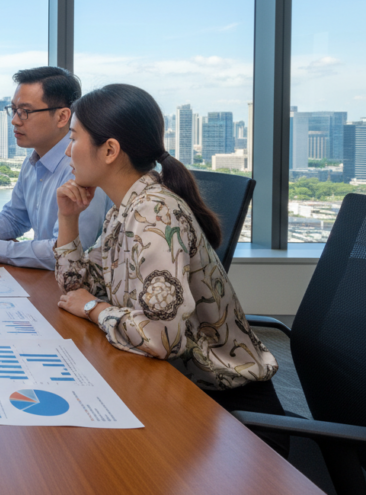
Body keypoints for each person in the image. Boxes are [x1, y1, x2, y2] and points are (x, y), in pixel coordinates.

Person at [53, 83, 286, 455]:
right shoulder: (126, 206)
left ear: (110, 150)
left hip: (229, 410)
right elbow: (74, 287)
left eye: (74, 138)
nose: (67, 150)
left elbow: (160, 338)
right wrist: (68, 219)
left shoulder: (154, 216)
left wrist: (92, 308)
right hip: (179, 383)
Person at [0, 67, 110, 269]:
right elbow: (14, 218)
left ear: (62, 117)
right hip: (43, 281)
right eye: (13, 110)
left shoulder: (83, 168)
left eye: (25, 112)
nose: (14, 120)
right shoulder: (32, 162)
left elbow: (66, 253)